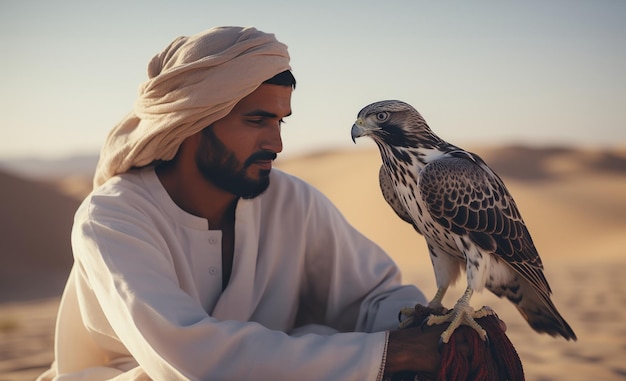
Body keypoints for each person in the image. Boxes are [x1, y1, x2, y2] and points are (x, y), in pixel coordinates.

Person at [38, 26, 453, 381]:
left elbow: (374, 295)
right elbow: (191, 360)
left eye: (280, 121)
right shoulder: (113, 217)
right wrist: (389, 354)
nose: (276, 143)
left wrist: (428, 332)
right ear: (191, 122)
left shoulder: (291, 200)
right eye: (256, 121)